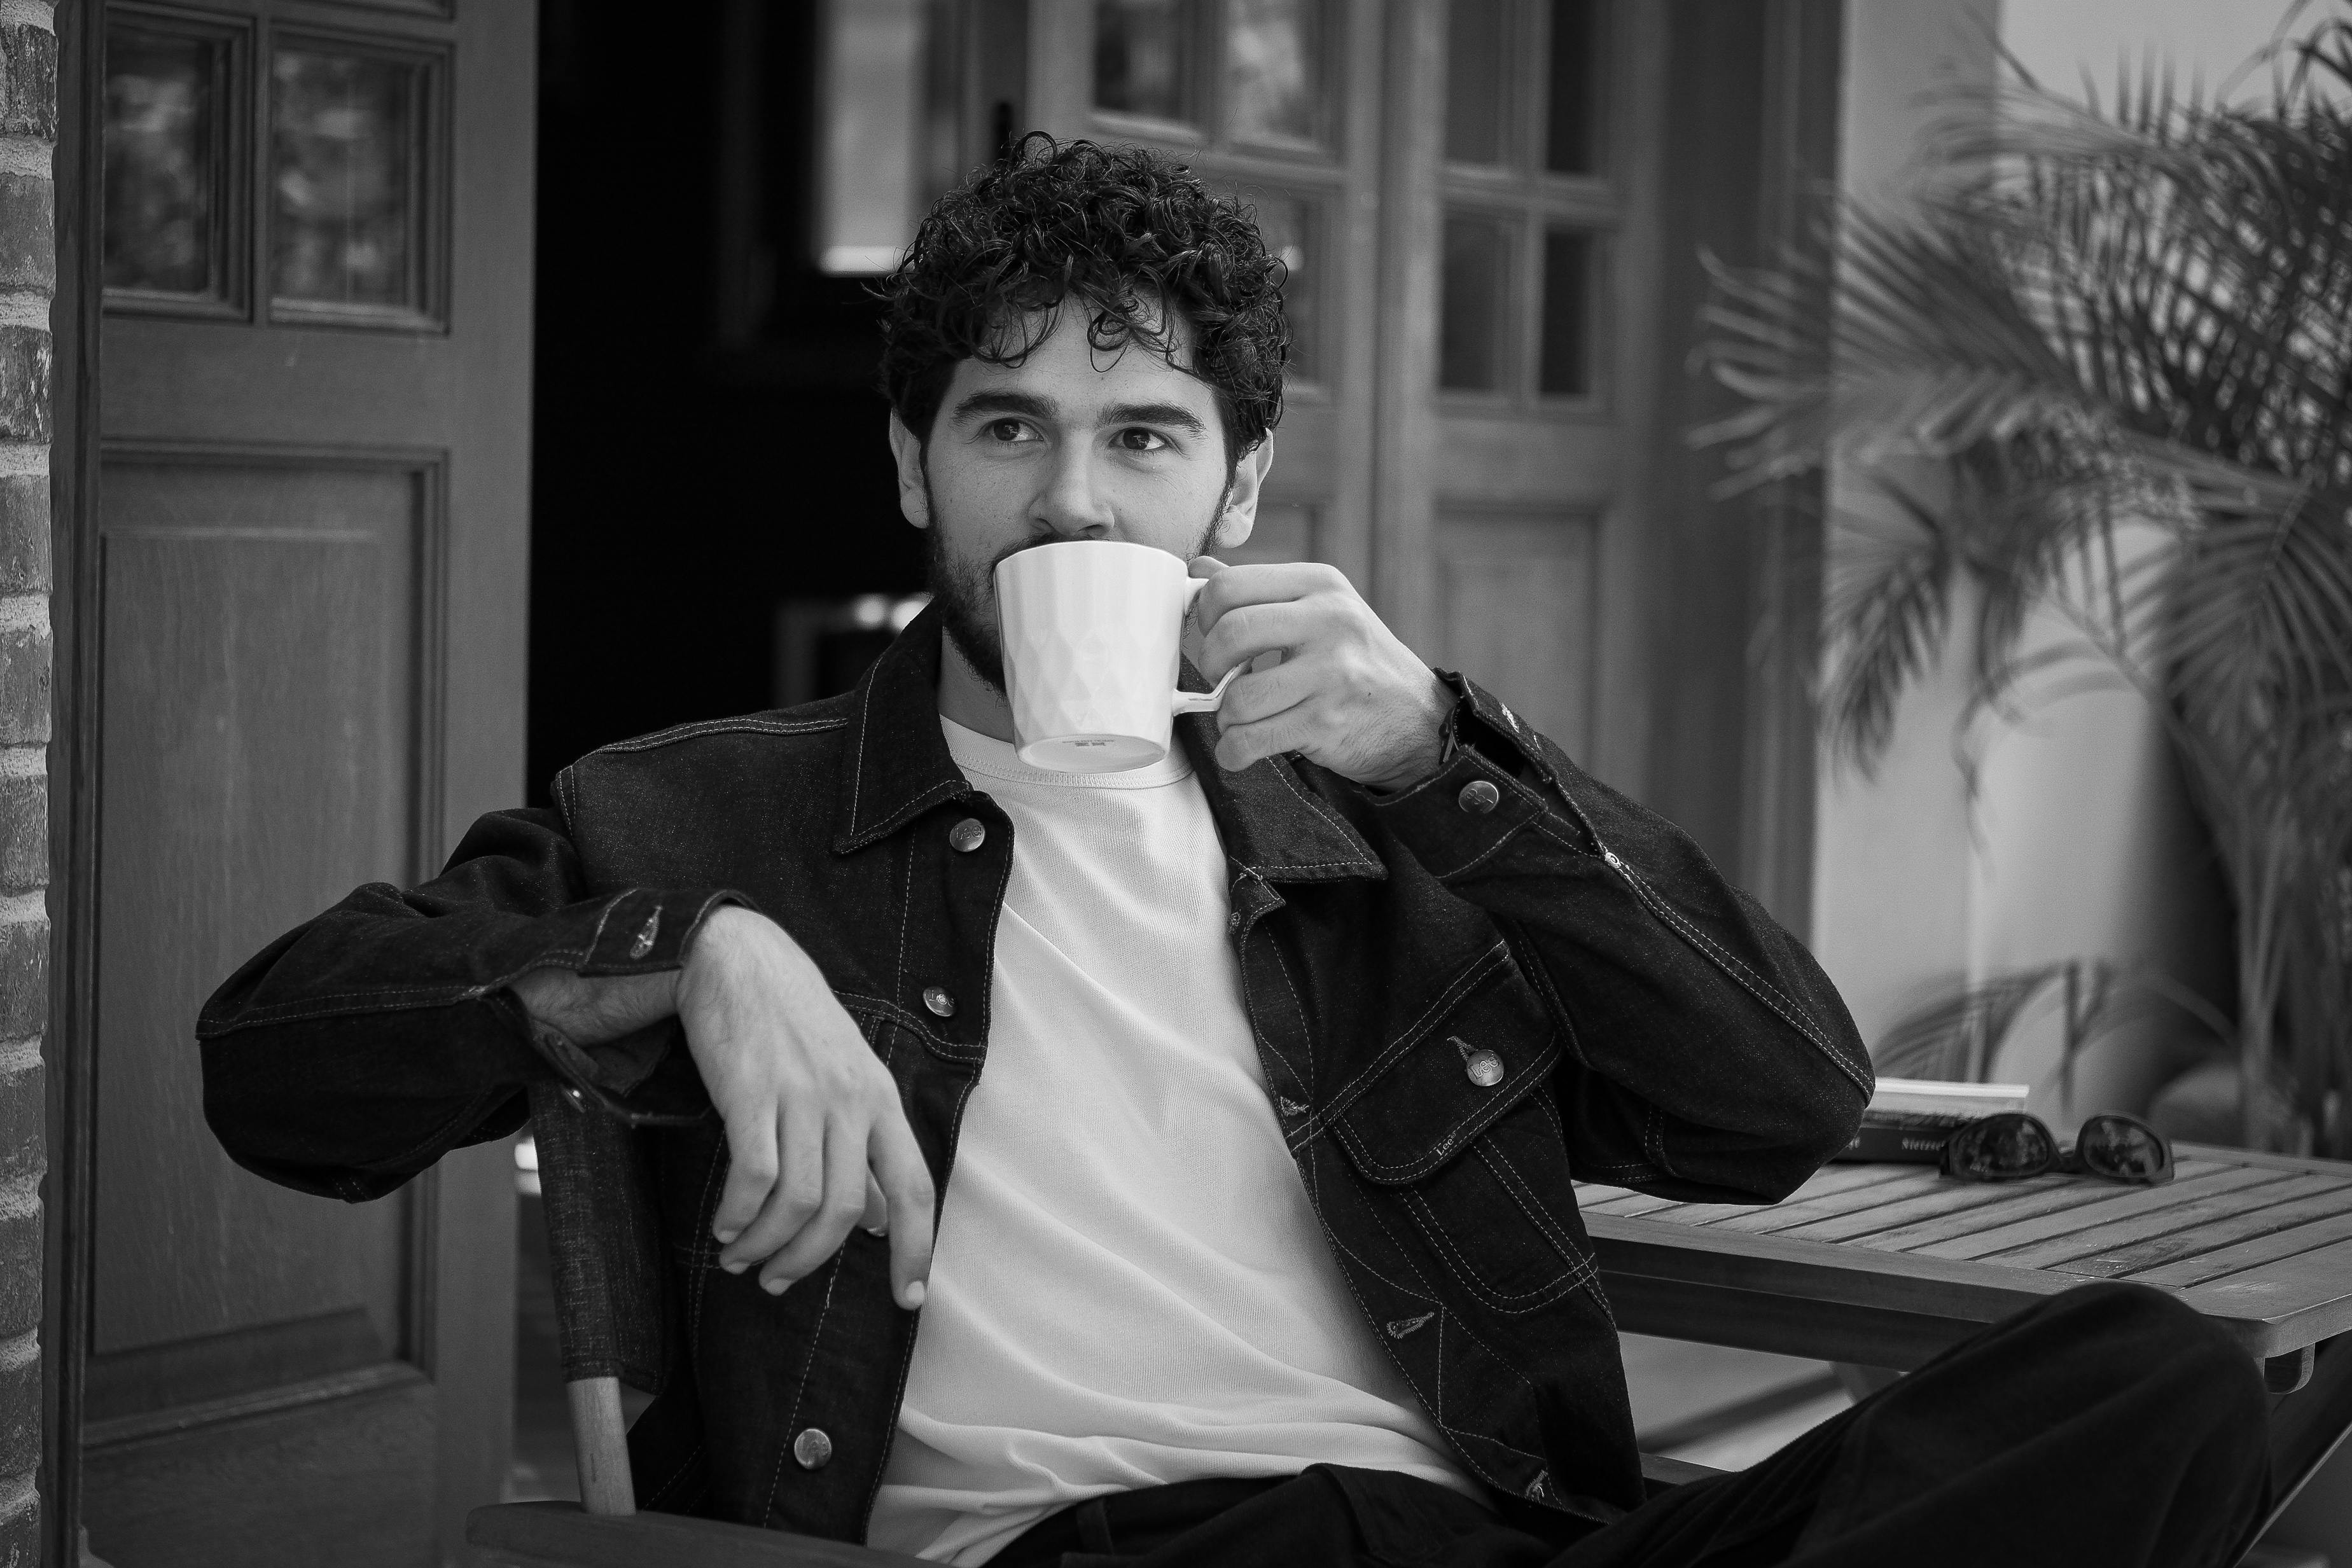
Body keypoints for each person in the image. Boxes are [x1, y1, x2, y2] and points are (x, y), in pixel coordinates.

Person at [200, 137, 2268, 1567]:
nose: (1071, 497)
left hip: (1472, 1541)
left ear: (1239, 484)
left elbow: (1778, 1100)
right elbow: (274, 1065)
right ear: (911, 460)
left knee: (2151, 1385)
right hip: (1088, 1547)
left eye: (1144, 435)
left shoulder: (1383, 813)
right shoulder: (699, 815)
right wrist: (687, 947)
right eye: (1007, 426)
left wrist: (1455, 759)